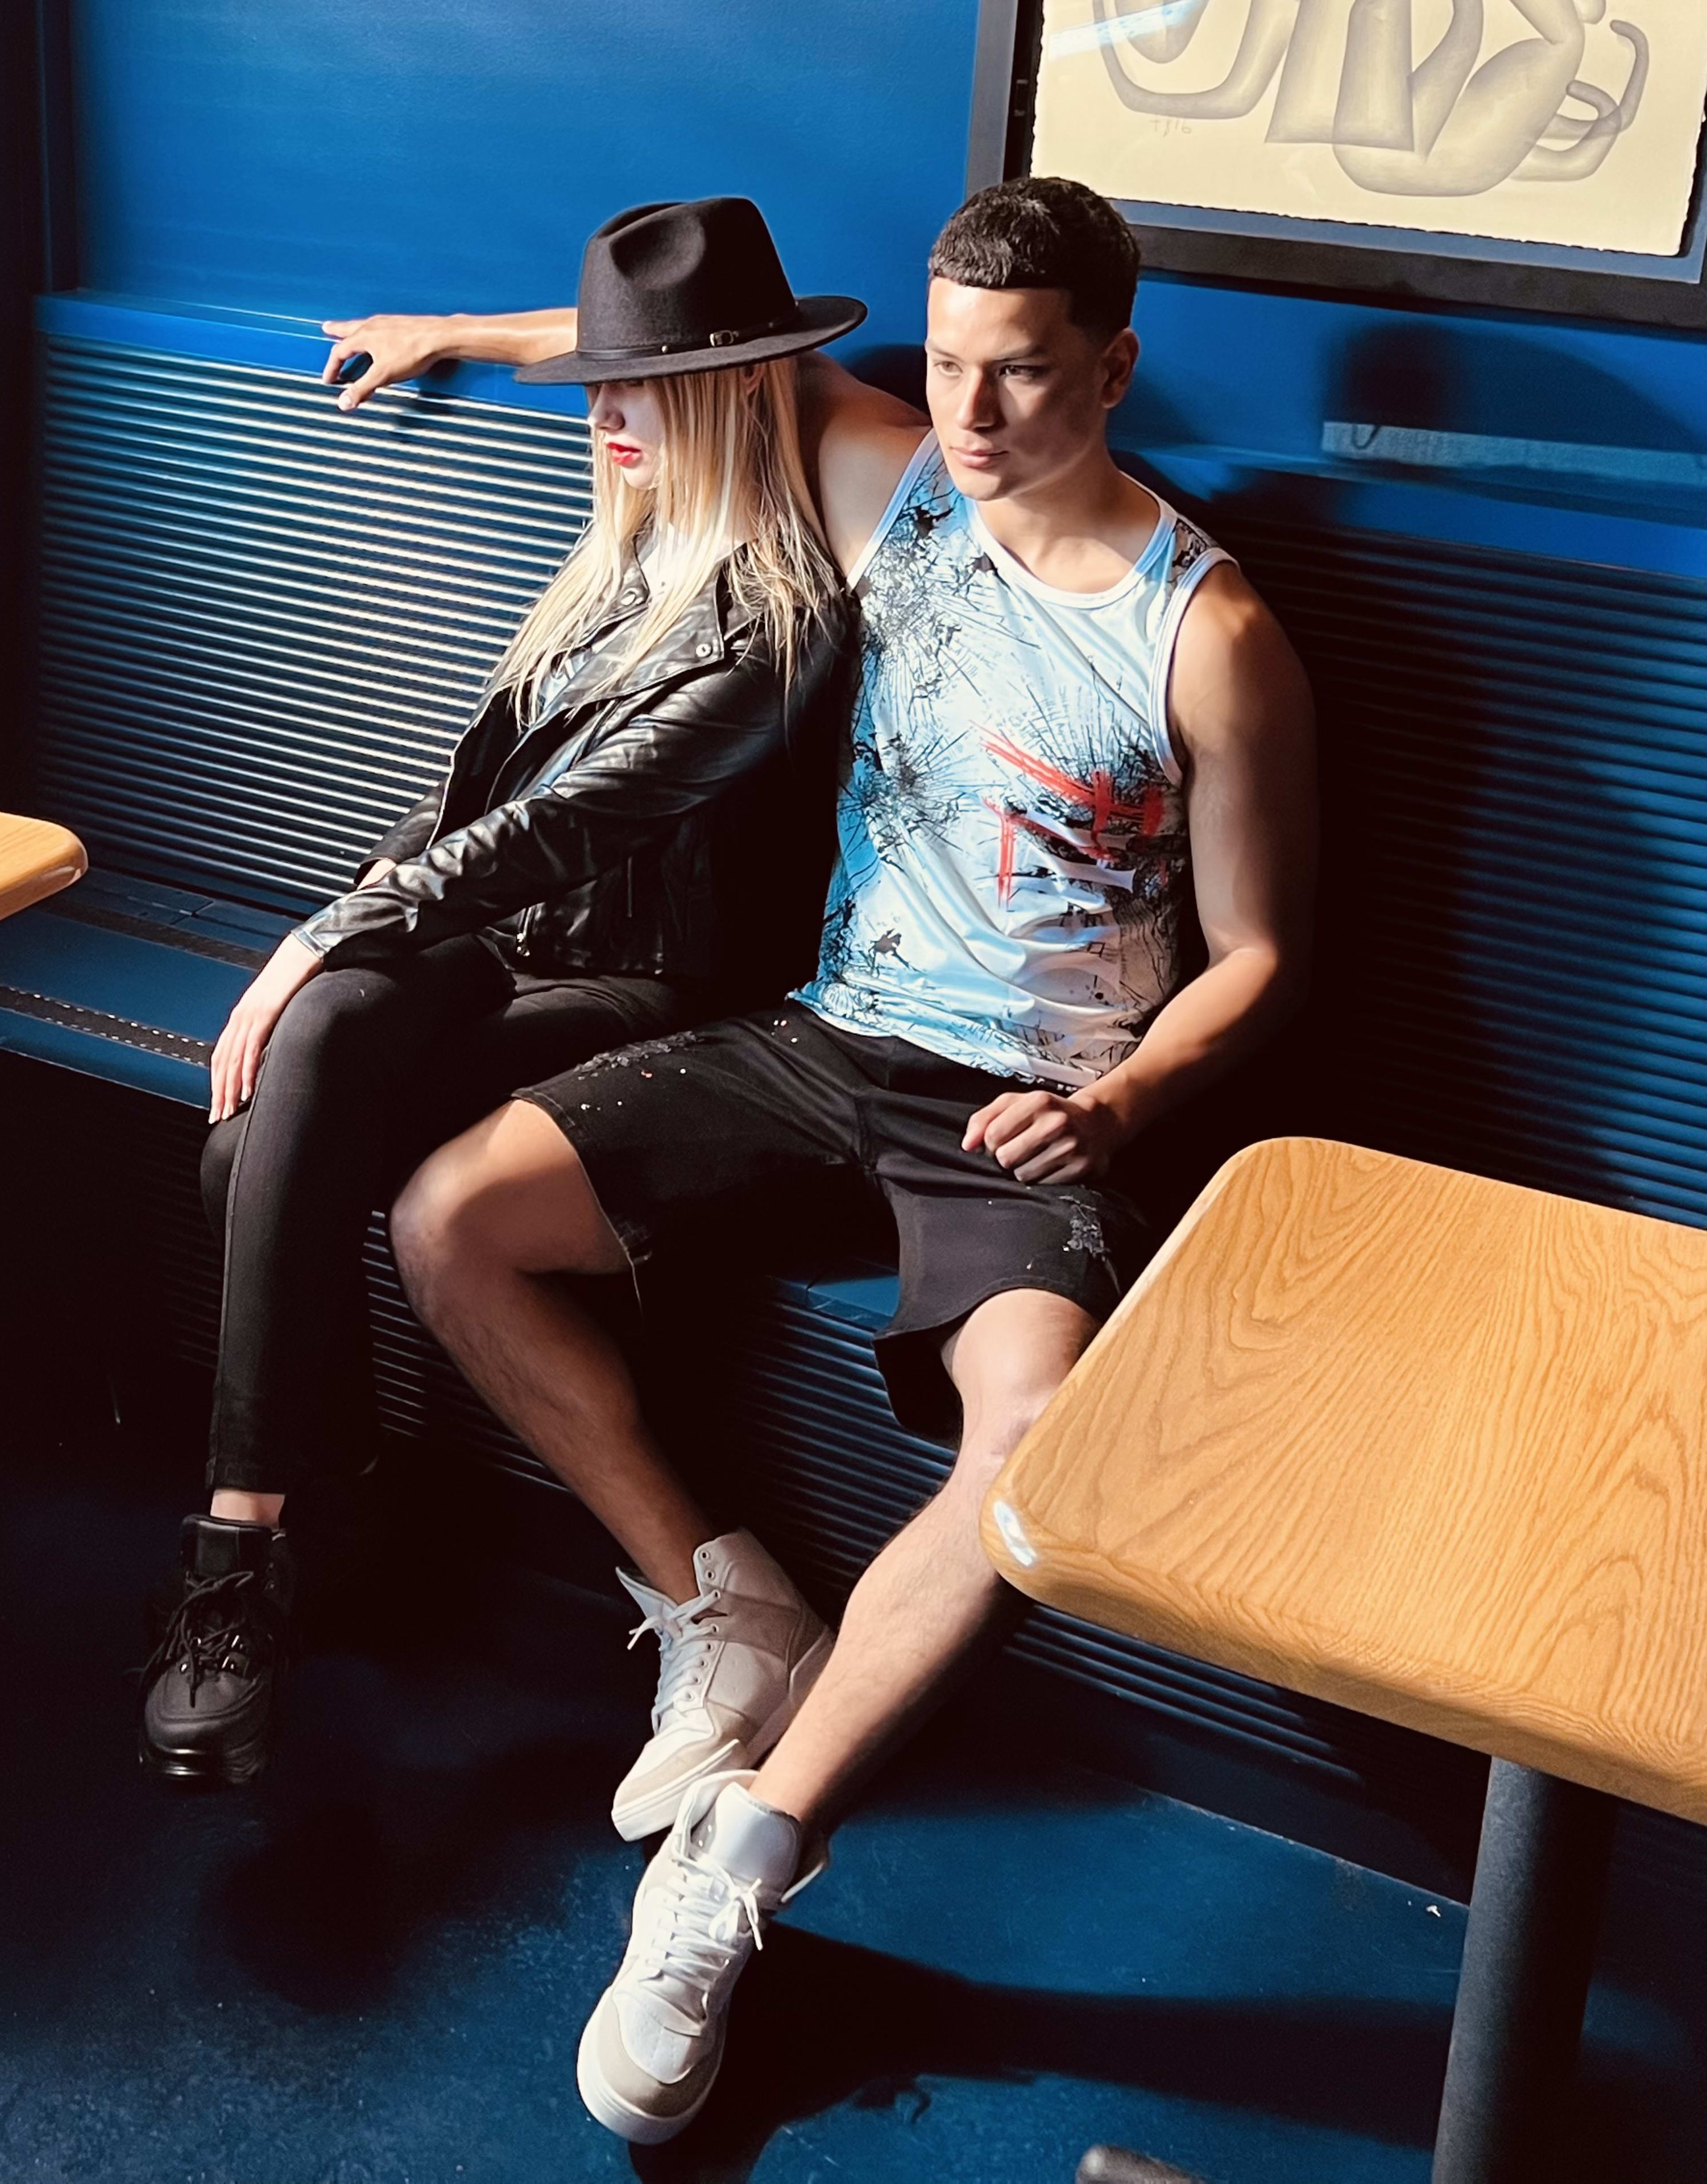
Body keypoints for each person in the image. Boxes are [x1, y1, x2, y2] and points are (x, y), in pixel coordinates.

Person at [336, 176, 1318, 2143]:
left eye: (1021, 376)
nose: (969, 412)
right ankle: (722, 1604)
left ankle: (737, 1871)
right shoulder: (910, 491)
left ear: (1115, 366)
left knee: (1032, 1453)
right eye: (948, 365)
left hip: (1030, 1104)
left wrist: (1117, 1107)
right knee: (451, 1215)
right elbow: (701, 367)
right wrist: (464, 330)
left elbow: (1270, 958)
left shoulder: (1212, 636)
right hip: (818, 1042)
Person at [140, 197, 863, 1796]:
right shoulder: (623, 555)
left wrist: (319, 938)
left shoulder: (775, 624)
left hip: (653, 989)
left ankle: (240, 1564)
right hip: (518, 943)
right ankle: (299, 1530)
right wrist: (338, 928)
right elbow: (477, 803)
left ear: (731, 397)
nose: (601, 416)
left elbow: (564, 825)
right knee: (274, 1107)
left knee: (260, 1124)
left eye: (637, 391)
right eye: (593, 384)